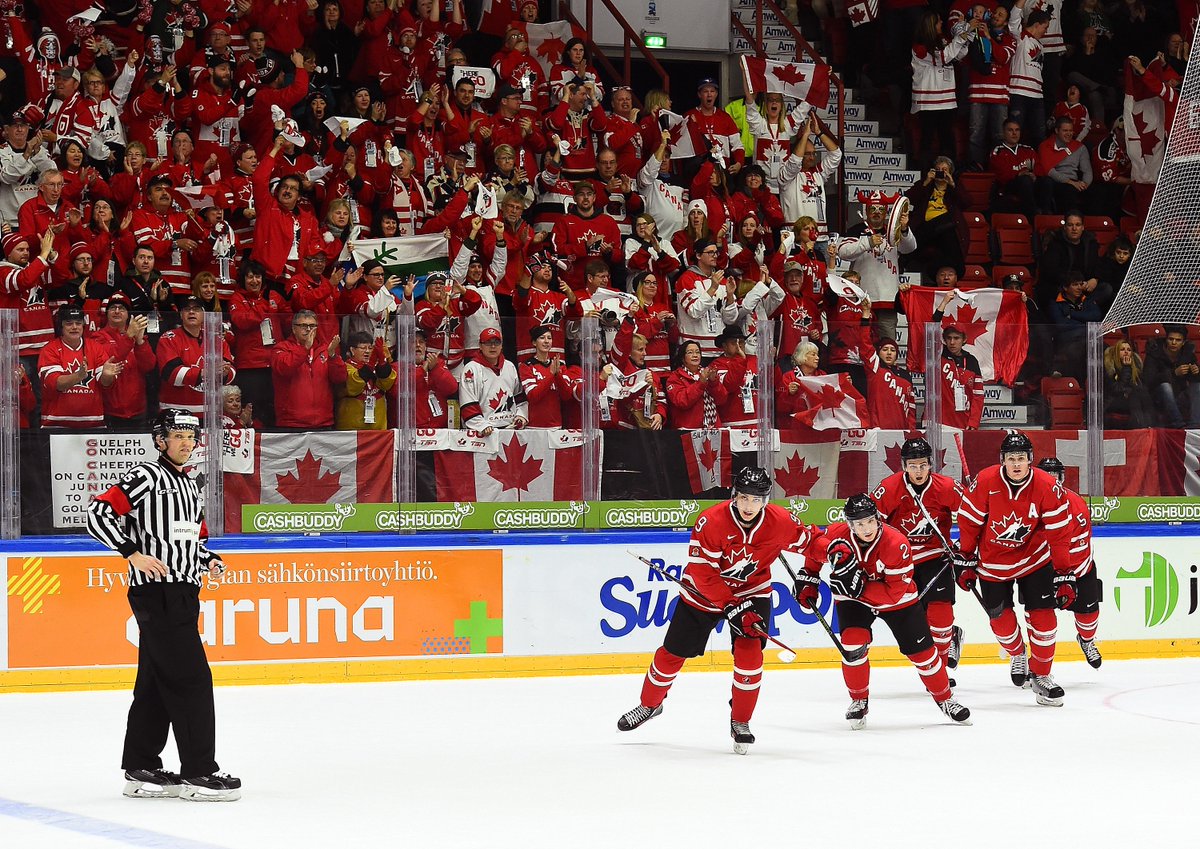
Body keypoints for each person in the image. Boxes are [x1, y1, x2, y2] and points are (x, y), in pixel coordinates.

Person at [615, 467, 827, 753]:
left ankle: (740, 721)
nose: (749, 506)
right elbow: (703, 574)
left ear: (765, 500)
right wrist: (732, 606)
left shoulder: (780, 521)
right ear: (734, 496)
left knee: (750, 655)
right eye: (743, 498)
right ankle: (650, 705)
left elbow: (813, 541)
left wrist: (837, 552)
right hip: (702, 594)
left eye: (756, 499)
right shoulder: (711, 521)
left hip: (753, 592)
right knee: (671, 655)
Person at [86, 409, 240, 801]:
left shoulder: (190, 485)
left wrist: (210, 561)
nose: (186, 442)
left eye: (191, 435)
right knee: (192, 680)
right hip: (158, 591)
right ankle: (199, 773)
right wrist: (131, 553)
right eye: (177, 435)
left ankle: (142, 768)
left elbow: (192, 539)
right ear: (160, 440)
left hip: (184, 592)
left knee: (155, 682)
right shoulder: (145, 476)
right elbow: (98, 513)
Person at [821, 494, 972, 728]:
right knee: (852, 644)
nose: (866, 528)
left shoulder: (896, 543)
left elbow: (894, 592)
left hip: (897, 600)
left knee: (923, 654)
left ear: (878, 519)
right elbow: (815, 552)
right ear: (850, 524)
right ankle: (859, 700)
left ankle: (946, 699)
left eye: (870, 521)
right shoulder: (836, 535)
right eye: (859, 523)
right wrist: (807, 578)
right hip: (854, 600)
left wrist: (859, 587)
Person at [955, 431, 1076, 706]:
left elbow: (1059, 534)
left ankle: (1042, 675)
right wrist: (965, 558)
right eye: (1011, 459)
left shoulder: (1047, 485)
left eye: (1021, 458)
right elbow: (969, 523)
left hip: (1034, 560)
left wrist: (1064, 573)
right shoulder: (985, 481)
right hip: (993, 563)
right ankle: (1018, 653)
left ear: (1030, 460)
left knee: (1045, 621)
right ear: (1003, 461)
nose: (1017, 464)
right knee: (1001, 621)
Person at [872, 438, 966, 673]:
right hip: (901, 562)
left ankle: (941, 669)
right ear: (904, 466)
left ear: (930, 464)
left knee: (940, 615)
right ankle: (951, 637)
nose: (919, 471)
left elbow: (972, 516)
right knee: (918, 620)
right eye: (913, 466)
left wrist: (965, 547)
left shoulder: (946, 487)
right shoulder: (889, 489)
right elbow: (871, 526)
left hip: (937, 558)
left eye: (923, 465)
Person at [1037, 457, 1103, 669]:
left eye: (1055, 477)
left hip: (1079, 569)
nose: (1052, 482)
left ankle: (1087, 640)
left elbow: (1082, 543)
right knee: (1039, 620)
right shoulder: (1028, 505)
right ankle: (1030, 660)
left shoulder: (1077, 504)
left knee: (1088, 618)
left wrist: (1071, 575)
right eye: (1047, 478)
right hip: (1044, 570)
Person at [1142, 324, 1200, 429]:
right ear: (1166, 339)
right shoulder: (1154, 353)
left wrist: (1196, 372)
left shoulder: (1187, 354)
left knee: (1197, 386)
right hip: (1159, 398)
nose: (1173, 343)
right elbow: (1148, 380)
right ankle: (1179, 425)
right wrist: (1173, 373)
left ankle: (1194, 427)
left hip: (1179, 396)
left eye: (1178, 340)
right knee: (1165, 386)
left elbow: (1194, 381)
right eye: (1171, 339)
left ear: (1183, 343)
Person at [1103, 339, 1154, 428]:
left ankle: (1149, 426)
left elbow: (1140, 388)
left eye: (1129, 350)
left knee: (1142, 393)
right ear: (1116, 353)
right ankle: (1141, 427)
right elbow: (1117, 390)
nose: (1126, 352)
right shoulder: (1109, 369)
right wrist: (1126, 369)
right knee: (1135, 396)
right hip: (1112, 402)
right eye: (1122, 350)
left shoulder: (1136, 368)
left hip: (1131, 400)